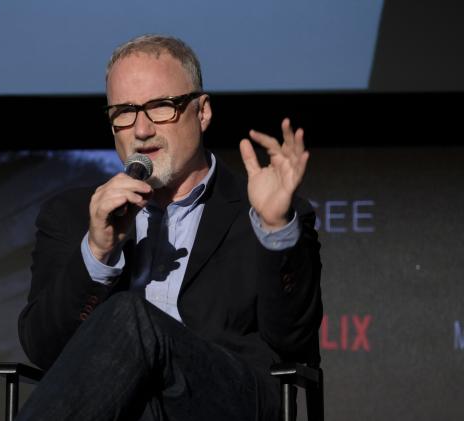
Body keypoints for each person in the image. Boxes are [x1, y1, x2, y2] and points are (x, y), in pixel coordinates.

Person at [17, 34, 322, 421]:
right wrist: (98, 252)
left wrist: (276, 228)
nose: (141, 130)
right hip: (124, 407)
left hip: (228, 401)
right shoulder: (73, 215)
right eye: (124, 112)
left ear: (203, 112)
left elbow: (292, 340)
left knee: (132, 316)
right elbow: (45, 350)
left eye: (161, 107)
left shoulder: (262, 211)